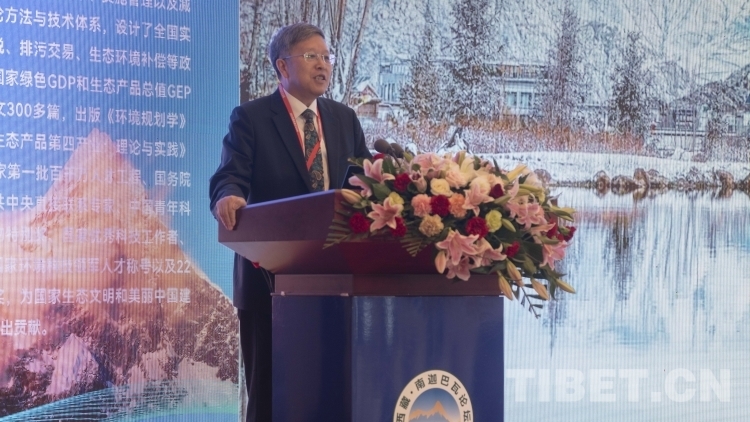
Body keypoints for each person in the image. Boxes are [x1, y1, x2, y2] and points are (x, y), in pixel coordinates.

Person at [208, 22, 371, 422]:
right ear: (282, 66)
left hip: (336, 282)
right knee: (270, 396)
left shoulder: (344, 119)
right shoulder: (251, 117)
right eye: (311, 56)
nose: (323, 65)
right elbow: (230, 175)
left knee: (331, 393)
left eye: (327, 56)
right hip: (268, 280)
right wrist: (228, 195)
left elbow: (365, 180)